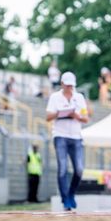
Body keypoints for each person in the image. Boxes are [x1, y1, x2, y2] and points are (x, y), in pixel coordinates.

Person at [46, 71, 89, 211]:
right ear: (62, 84)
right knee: (62, 169)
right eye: (67, 85)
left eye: (72, 85)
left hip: (76, 136)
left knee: (79, 170)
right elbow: (48, 116)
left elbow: (85, 118)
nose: (70, 88)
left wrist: (74, 115)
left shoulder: (79, 97)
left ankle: (71, 194)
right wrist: (60, 113)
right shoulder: (55, 97)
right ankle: (65, 199)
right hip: (60, 135)